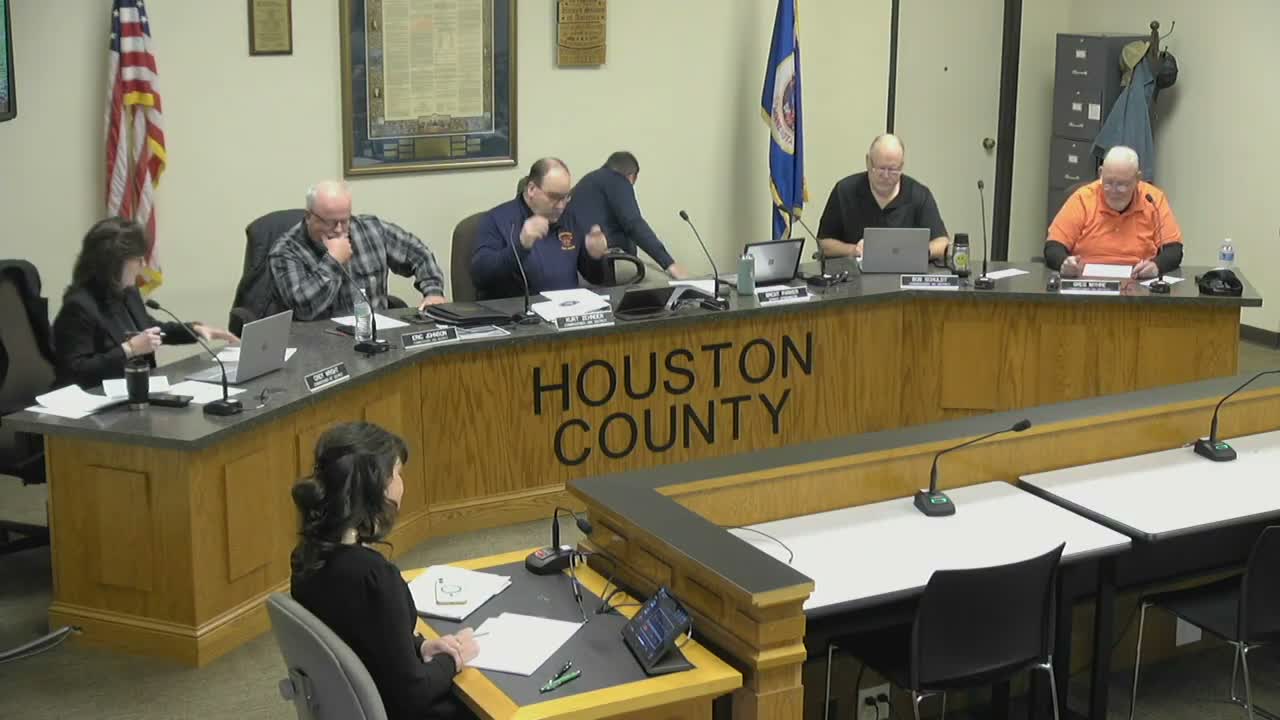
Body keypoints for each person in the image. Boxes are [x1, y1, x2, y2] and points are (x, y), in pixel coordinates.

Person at [290, 422, 479, 720]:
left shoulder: (306, 558)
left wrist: (421, 647)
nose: (402, 484)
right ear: (379, 490)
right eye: (398, 474)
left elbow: (367, 638)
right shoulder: (375, 578)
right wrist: (453, 659)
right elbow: (414, 697)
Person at [52, 217, 238, 390]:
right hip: (97, 401)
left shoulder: (127, 292)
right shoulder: (79, 307)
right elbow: (75, 371)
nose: (143, 265)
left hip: (137, 392)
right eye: (138, 259)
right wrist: (129, 349)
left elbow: (150, 329)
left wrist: (194, 329)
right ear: (114, 264)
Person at [270, 180, 447, 321]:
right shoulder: (285, 251)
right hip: (320, 344)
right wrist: (332, 262)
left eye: (344, 220)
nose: (339, 229)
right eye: (330, 222)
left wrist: (433, 292)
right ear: (309, 216)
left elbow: (419, 255)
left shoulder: (370, 229)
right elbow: (303, 309)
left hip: (375, 334)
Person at [470, 157, 609, 300]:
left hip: (567, 308)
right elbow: (480, 277)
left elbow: (595, 278)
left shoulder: (570, 219)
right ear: (531, 189)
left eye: (565, 197)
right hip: (518, 310)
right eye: (554, 197)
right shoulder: (497, 220)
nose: (560, 206)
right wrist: (521, 246)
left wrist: (595, 257)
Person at [1045, 145, 1182, 279]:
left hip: (1137, 280)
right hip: (1087, 281)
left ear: (1137, 179)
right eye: (1108, 183)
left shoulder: (1152, 199)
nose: (1114, 191)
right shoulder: (1083, 198)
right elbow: (1053, 247)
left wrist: (1156, 266)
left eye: (1122, 185)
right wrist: (1064, 263)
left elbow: (1174, 250)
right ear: (1100, 173)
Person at [816, 134, 950, 261]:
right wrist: (853, 250)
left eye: (893, 170)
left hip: (904, 272)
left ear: (902, 166)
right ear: (868, 162)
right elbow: (824, 243)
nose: (886, 176)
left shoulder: (918, 194)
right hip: (854, 273)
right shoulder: (845, 191)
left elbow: (943, 243)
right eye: (880, 168)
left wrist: (918, 252)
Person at [566, 151, 689, 279]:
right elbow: (634, 223)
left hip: (575, 263)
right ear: (632, 176)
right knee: (665, 281)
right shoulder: (617, 180)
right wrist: (669, 264)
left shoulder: (588, 182)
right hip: (603, 264)